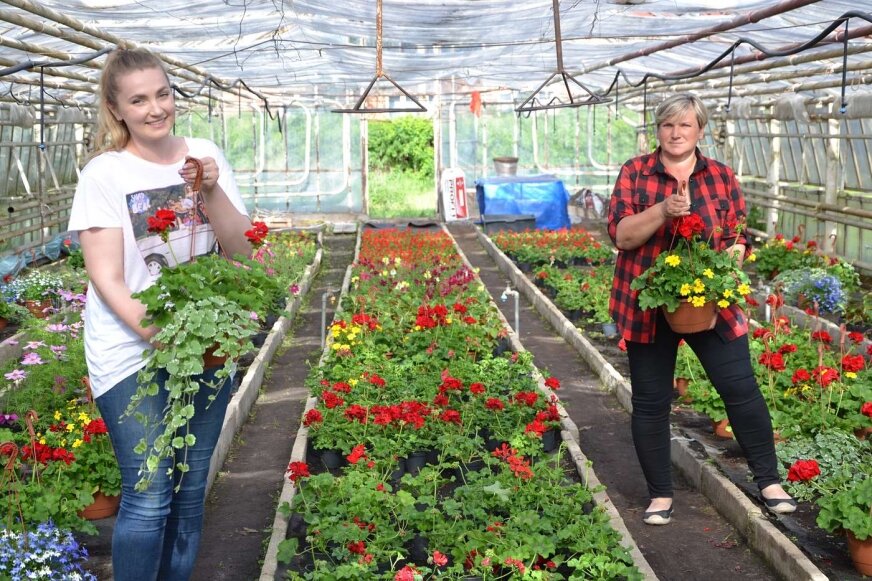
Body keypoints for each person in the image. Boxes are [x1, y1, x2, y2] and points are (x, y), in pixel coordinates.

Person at [67, 48, 252, 580]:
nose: (155, 108)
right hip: (130, 351)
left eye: (163, 93)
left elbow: (242, 251)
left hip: (206, 346)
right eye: (139, 99)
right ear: (116, 109)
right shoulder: (105, 174)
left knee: (191, 492)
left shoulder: (203, 154)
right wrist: (163, 336)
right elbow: (108, 279)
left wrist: (211, 190)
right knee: (149, 495)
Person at [607, 93, 795, 526]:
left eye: (685, 126)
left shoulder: (721, 176)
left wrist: (735, 254)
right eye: (668, 125)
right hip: (648, 305)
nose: (676, 133)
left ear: (700, 131)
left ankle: (768, 481)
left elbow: (739, 233)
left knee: (740, 389)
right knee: (652, 401)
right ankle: (659, 495)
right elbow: (622, 236)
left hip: (712, 301)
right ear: (658, 131)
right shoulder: (635, 173)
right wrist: (661, 210)